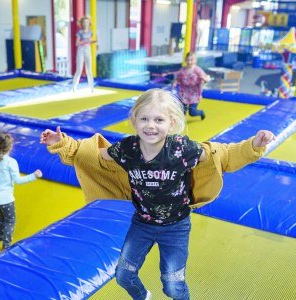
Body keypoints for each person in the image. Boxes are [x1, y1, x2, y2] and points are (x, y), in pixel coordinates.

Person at [40, 88, 274, 300]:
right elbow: (93, 156)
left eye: (158, 119)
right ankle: (142, 296)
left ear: (171, 123)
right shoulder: (127, 149)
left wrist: (253, 145)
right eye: (144, 119)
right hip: (142, 223)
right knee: (123, 275)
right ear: (134, 121)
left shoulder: (182, 149)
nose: (150, 126)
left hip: (176, 226)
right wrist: (63, 143)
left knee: (173, 284)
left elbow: (221, 155)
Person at [0, 133, 42, 250]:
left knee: (3, 217)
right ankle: (6, 245)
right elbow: (18, 180)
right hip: (5, 199)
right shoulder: (10, 162)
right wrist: (34, 176)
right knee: (10, 220)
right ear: (10, 147)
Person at [172, 52, 211, 120]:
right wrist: (175, 83)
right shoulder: (182, 70)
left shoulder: (197, 70)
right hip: (183, 93)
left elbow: (207, 78)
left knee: (192, 112)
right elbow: (177, 78)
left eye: (191, 60)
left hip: (194, 94)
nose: (189, 62)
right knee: (182, 110)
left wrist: (204, 78)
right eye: (188, 60)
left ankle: (201, 112)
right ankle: (182, 122)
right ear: (185, 60)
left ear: (195, 60)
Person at [72, 16, 96, 93]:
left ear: (89, 23)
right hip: (81, 50)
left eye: (87, 22)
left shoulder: (90, 32)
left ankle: (92, 87)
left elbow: (90, 41)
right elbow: (77, 43)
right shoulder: (80, 33)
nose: (85, 24)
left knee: (89, 70)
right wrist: (86, 41)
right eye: (84, 22)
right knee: (79, 70)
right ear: (82, 23)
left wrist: (92, 41)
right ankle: (74, 87)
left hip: (87, 49)